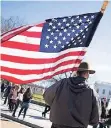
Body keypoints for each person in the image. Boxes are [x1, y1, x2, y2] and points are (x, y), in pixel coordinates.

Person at [43, 62, 99, 128]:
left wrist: (56, 105)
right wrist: (92, 122)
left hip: (57, 125)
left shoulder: (62, 83)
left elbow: (46, 95)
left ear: (77, 72)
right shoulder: (91, 91)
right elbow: (95, 114)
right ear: (87, 73)